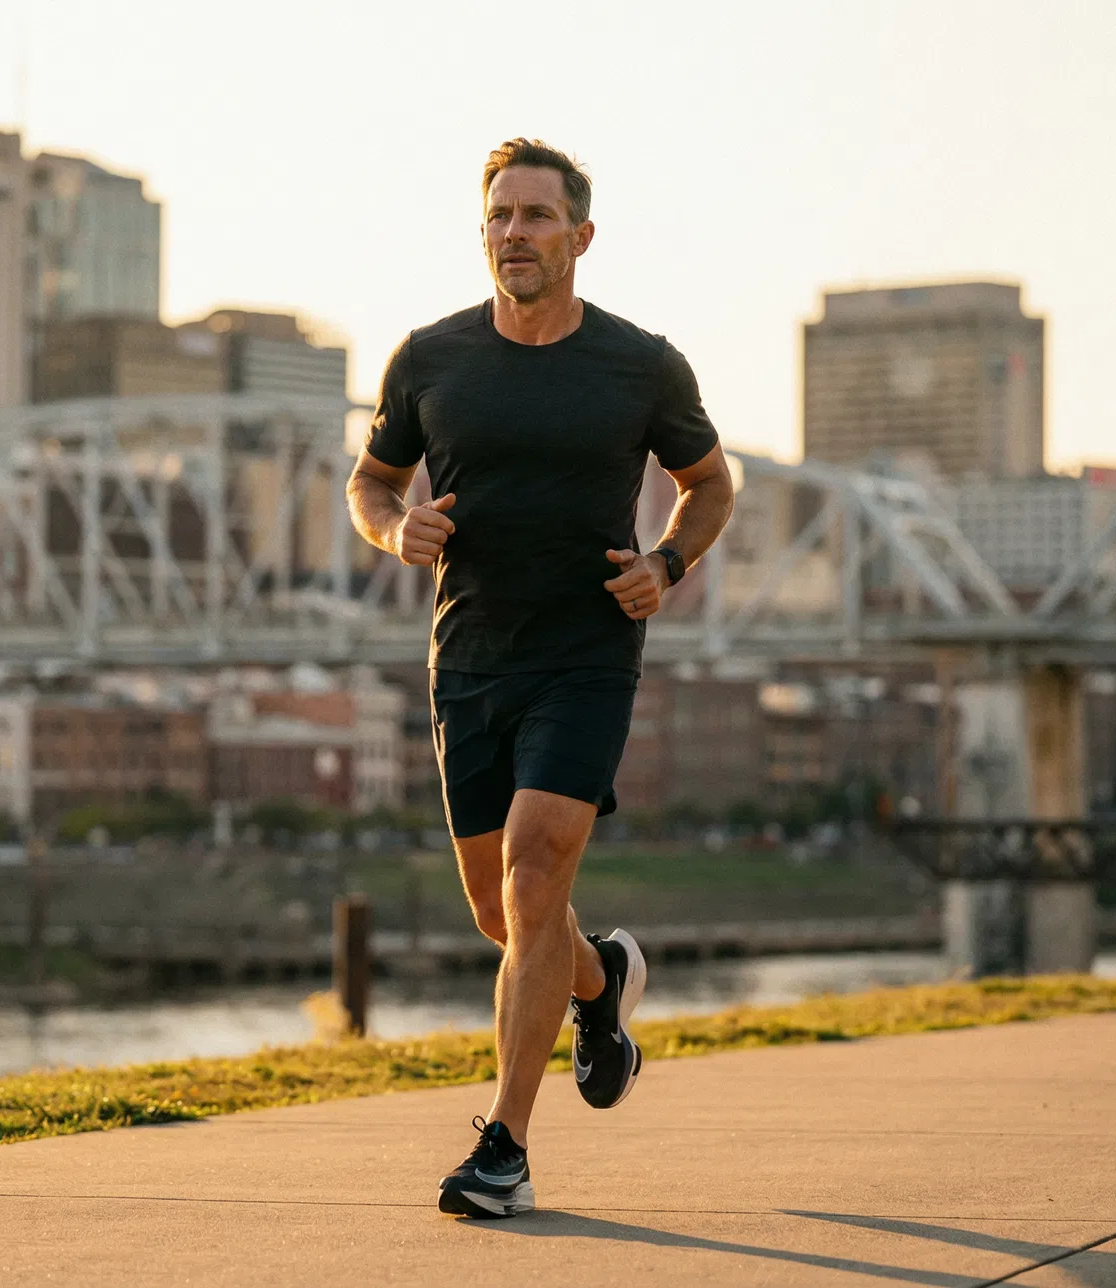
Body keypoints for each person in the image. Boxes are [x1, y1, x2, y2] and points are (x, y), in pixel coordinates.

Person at [346, 138, 735, 1218]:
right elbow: (370, 483)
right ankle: (601, 983)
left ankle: (503, 1147)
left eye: (535, 216)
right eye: (499, 217)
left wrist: (668, 562)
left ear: (581, 237)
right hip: (467, 657)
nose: (514, 233)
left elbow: (709, 486)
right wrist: (394, 528)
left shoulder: (641, 364)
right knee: (501, 912)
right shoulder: (429, 359)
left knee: (532, 867)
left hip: (587, 651)